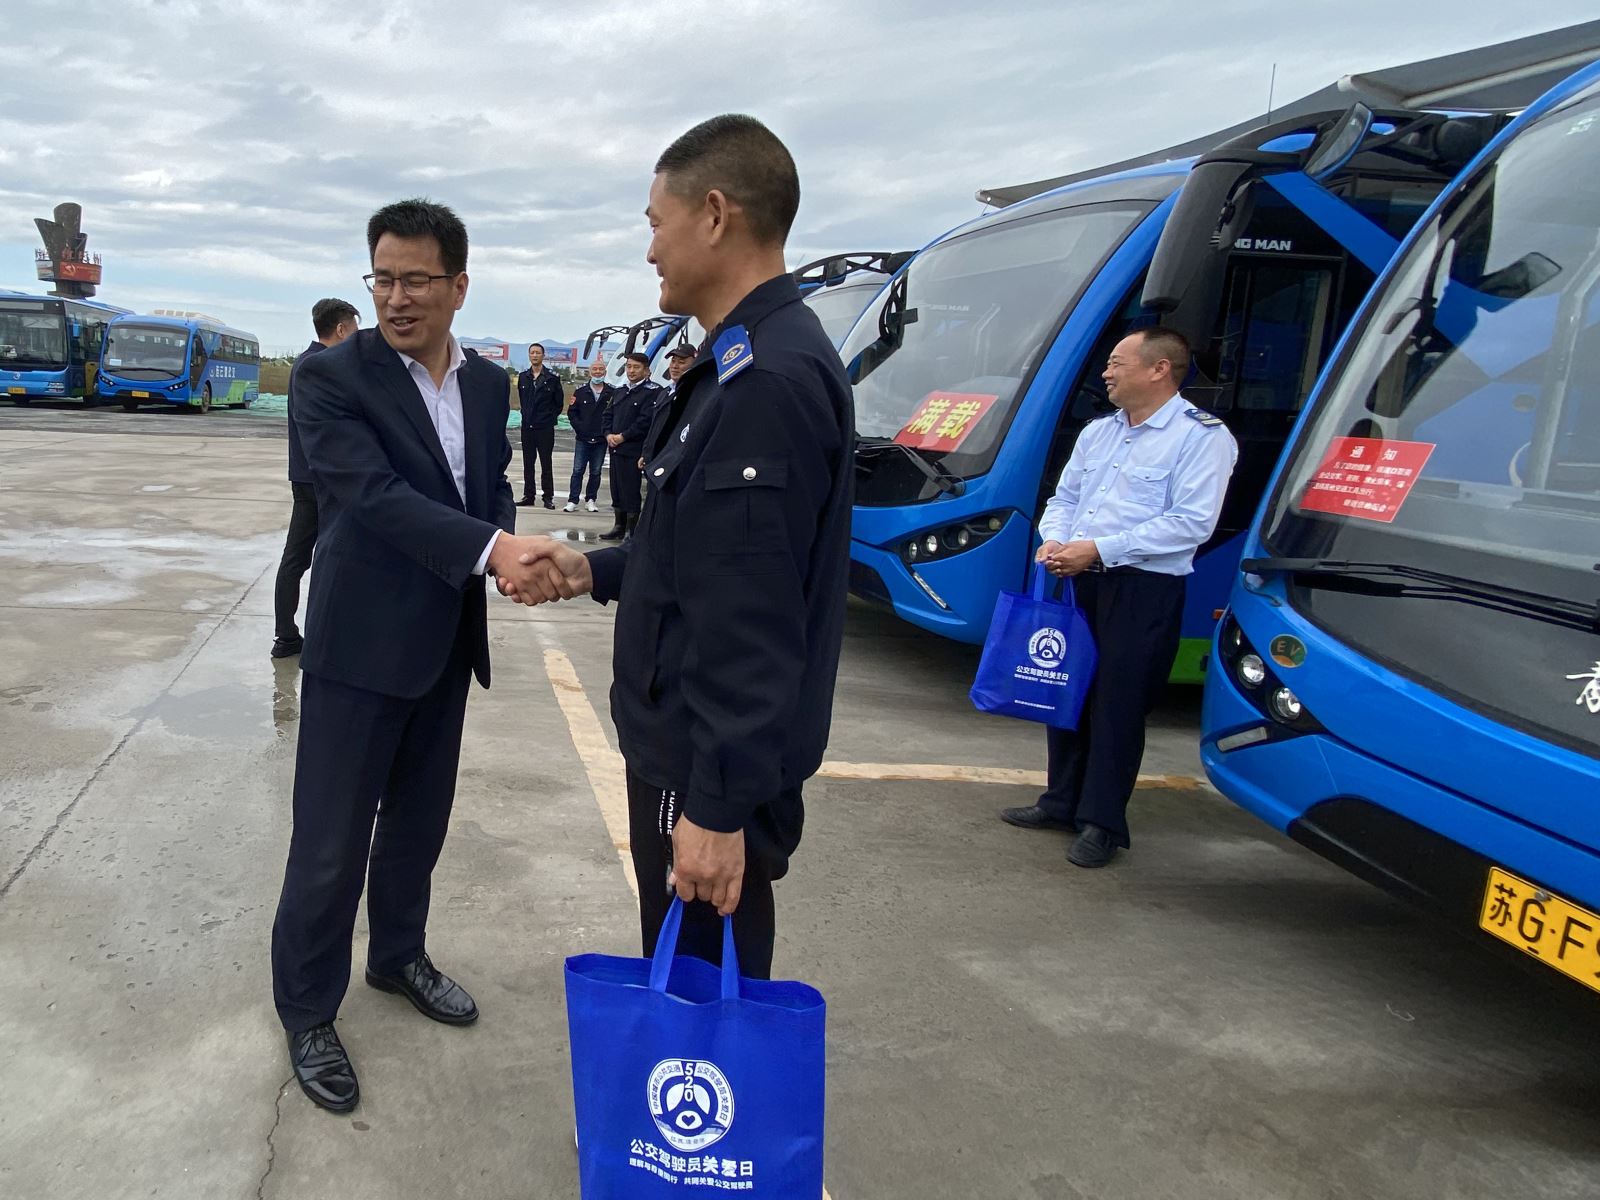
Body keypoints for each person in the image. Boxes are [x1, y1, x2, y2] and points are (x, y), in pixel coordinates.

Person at [506, 114, 854, 980]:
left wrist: (718, 807)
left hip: (700, 770)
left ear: (714, 214)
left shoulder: (764, 382)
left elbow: (753, 620)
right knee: (691, 984)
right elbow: (699, 556)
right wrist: (593, 567)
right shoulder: (737, 364)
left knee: (698, 995)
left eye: (656, 224)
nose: (651, 250)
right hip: (688, 754)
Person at [271, 198, 558, 1114]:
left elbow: (487, 484)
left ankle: (397, 957)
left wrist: (500, 538)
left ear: (458, 286)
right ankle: (308, 1010)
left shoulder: (485, 384)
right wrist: (494, 550)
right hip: (358, 649)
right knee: (329, 845)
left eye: (416, 280)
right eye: (383, 279)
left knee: (417, 828)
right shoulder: (331, 377)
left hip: (444, 645)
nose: (397, 298)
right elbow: (372, 495)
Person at [1001, 326, 1237, 868]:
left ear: (1159, 369)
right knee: (1067, 689)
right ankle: (1061, 801)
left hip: (1142, 589)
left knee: (1118, 704)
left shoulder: (1201, 437)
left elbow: (1191, 523)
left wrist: (1098, 549)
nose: (1106, 372)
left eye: (1117, 363)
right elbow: (1065, 498)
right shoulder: (1099, 432)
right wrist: (1054, 540)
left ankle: (1102, 823)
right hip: (1080, 578)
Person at [271, 298, 359, 659]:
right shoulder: (320, 367)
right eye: (354, 330)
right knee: (316, 557)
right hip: (321, 480)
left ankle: (289, 634)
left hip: (308, 476)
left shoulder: (306, 363)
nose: (356, 337)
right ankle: (295, 636)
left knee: (301, 556)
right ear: (340, 329)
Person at [599, 351, 661, 540]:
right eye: (629, 366)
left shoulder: (652, 392)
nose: (631, 371)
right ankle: (619, 526)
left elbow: (644, 421)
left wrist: (623, 437)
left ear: (646, 370)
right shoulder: (620, 391)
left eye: (636, 367)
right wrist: (608, 434)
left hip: (633, 450)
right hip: (615, 449)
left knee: (630, 490)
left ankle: (631, 531)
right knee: (616, 489)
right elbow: (607, 414)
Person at [515, 342, 564, 508]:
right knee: (528, 463)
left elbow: (558, 404)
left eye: (538, 353)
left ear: (543, 355)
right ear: (529, 355)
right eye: (532, 352)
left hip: (544, 428)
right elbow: (523, 400)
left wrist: (547, 418)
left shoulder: (552, 378)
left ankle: (547, 497)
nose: (535, 355)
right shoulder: (523, 377)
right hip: (527, 427)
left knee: (546, 463)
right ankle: (529, 496)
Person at [564, 362, 610, 513]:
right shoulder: (580, 391)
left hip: (601, 440)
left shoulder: (611, 393)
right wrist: (580, 428)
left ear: (605, 372)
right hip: (583, 439)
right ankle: (573, 500)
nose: (598, 372)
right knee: (578, 470)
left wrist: (606, 431)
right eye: (594, 369)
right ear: (590, 372)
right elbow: (572, 413)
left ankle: (591, 499)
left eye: (601, 369)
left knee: (595, 471)